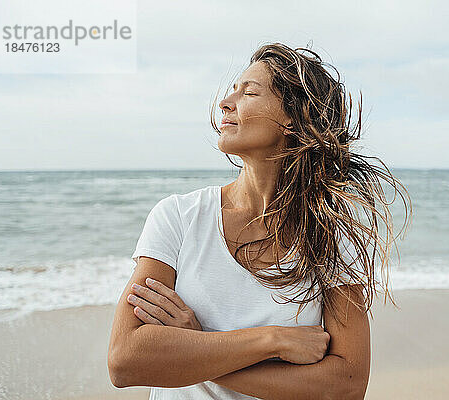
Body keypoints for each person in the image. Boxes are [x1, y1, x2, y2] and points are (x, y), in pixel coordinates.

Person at [107, 42, 412, 399]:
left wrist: (196, 346)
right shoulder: (179, 217)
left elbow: (345, 386)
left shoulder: (333, 238)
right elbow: (126, 360)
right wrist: (271, 341)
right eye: (232, 90)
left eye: (249, 92)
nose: (225, 102)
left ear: (292, 119)